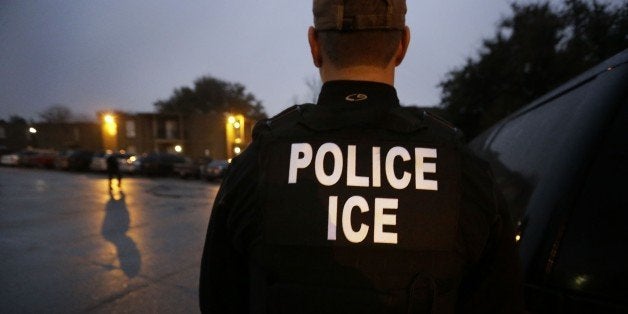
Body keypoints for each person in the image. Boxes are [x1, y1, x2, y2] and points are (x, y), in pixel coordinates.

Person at [199, 0, 522, 313]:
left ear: (314, 44)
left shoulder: (257, 163)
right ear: (402, 45)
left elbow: (218, 300)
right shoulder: (465, 171)